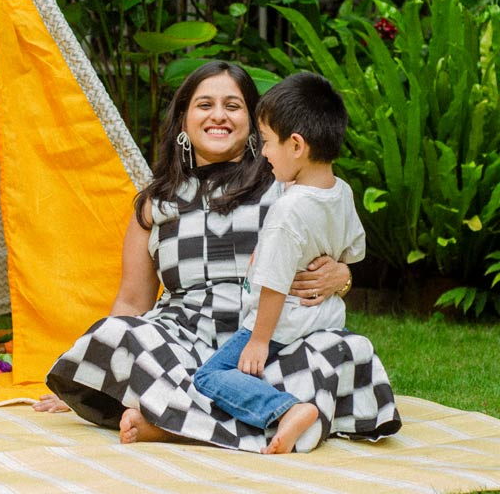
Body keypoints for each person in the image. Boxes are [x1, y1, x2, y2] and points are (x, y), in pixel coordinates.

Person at [37, 61, 400, 453]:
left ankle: (172, 422)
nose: (218, 115)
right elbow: (131, 301)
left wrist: (341, 276)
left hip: (265, 343)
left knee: (341, 349)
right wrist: (98, 372)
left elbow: (332, 249)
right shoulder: (155, 203)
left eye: (233, 105)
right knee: (117, 335)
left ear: (256, 123)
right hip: (179, 341)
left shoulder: (285, 183)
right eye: (204, 104)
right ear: (183, 119)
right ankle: (264, 420)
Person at [193, 72, 365, 454]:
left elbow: (272, 282)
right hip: (323, 316)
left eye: (268, 143)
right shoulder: (340, 192)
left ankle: (284, 410)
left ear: (297, 145)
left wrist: (258, 339)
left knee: (211, 375)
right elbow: (353, 252)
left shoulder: (288, 211)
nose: (265, 153)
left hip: (280, 321)